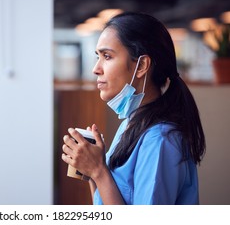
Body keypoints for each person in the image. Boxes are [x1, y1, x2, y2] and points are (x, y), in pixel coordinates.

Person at [61, 12, 206, 205]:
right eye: (98, 56)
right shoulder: (132, 124)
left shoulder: (160, 140)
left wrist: (99, 171)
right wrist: (93, 171)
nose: (96, 68)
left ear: (141, 66)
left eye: (107, 56)